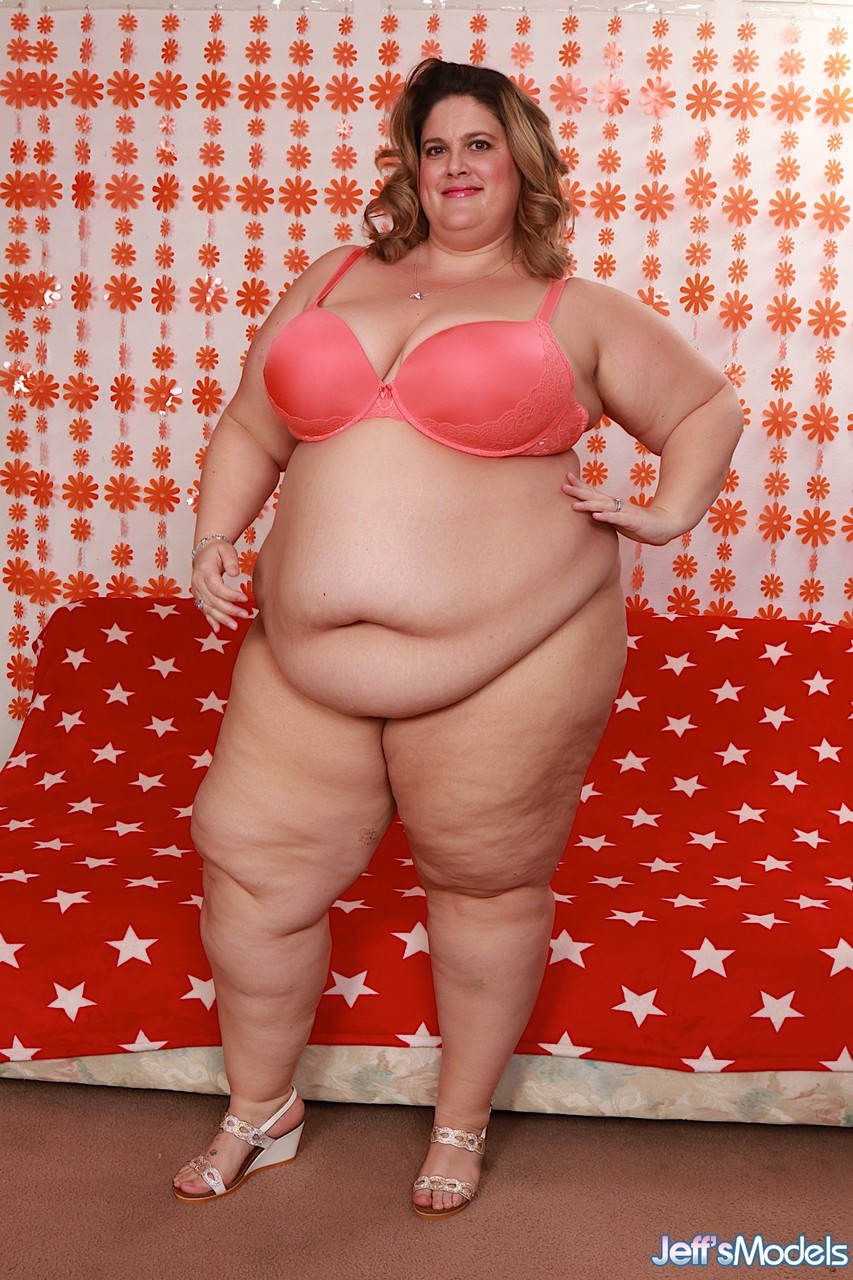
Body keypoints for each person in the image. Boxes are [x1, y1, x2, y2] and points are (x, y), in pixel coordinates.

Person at [173, 57, 743, 1216]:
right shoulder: (334, 275)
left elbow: (704, 407)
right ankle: (261, 1107)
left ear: (520, 162)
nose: (455, 166)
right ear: (411, 167)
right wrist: (215, 537)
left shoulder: (576, 307)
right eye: (434, 147)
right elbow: (250, 423)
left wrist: (668, 509)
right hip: (303, 651)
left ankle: (458, 1123)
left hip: (513, 648)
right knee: (250, 863)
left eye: (479, 143)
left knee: (481, 885)